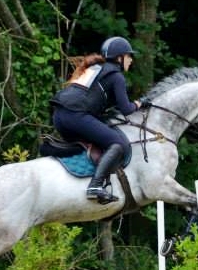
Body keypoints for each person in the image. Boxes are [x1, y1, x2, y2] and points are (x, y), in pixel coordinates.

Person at [50, 36, 148, 204]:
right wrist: (139, 103)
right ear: (119, 57)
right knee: (118, 144)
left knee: (100, 140)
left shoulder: (94, 69)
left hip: (59, 116)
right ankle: (95, 185)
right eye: (129, 56)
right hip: (76, 116)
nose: (131, 60)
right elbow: (126, 109)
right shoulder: (116, 76)